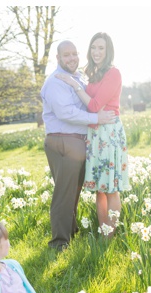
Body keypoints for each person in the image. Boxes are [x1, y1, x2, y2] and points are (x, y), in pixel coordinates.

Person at [41, 39, 117, 250]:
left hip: (77, 142)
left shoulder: (77, 78)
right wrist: (96, 119)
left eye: (74, 54)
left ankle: (70, 234)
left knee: (71, 193)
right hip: (63, 141)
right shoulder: (56, 81)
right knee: (64, 195)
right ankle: (59, 243)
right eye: (67, 55)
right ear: (58, 58)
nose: (72, 58)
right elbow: (65, 113)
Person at [56, 32, 130, 237]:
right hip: (96, 133)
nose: (96, 52)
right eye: (93, 48)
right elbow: (92, 108)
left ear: (108, 51)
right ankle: (104, 234)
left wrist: (75, 85)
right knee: (100, 187)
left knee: (111, 188)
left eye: (101, 48)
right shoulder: (94, 73)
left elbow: (95, 105)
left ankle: (112, 235)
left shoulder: (113, 73)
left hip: (109, 132)